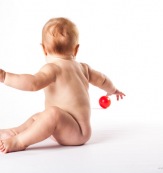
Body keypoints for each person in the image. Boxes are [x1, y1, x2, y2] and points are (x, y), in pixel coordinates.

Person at [0, 17, 125, 153]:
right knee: (39, 117)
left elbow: (32, 83)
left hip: (77, 133)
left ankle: (19, 141)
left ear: (44, 49)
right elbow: (102, 80)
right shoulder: (83, 68)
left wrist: (5, 76)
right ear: (76, 49)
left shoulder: (53, 69)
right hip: (68, 128)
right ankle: (14, 132)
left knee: (52, 114)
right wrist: (113, 90)